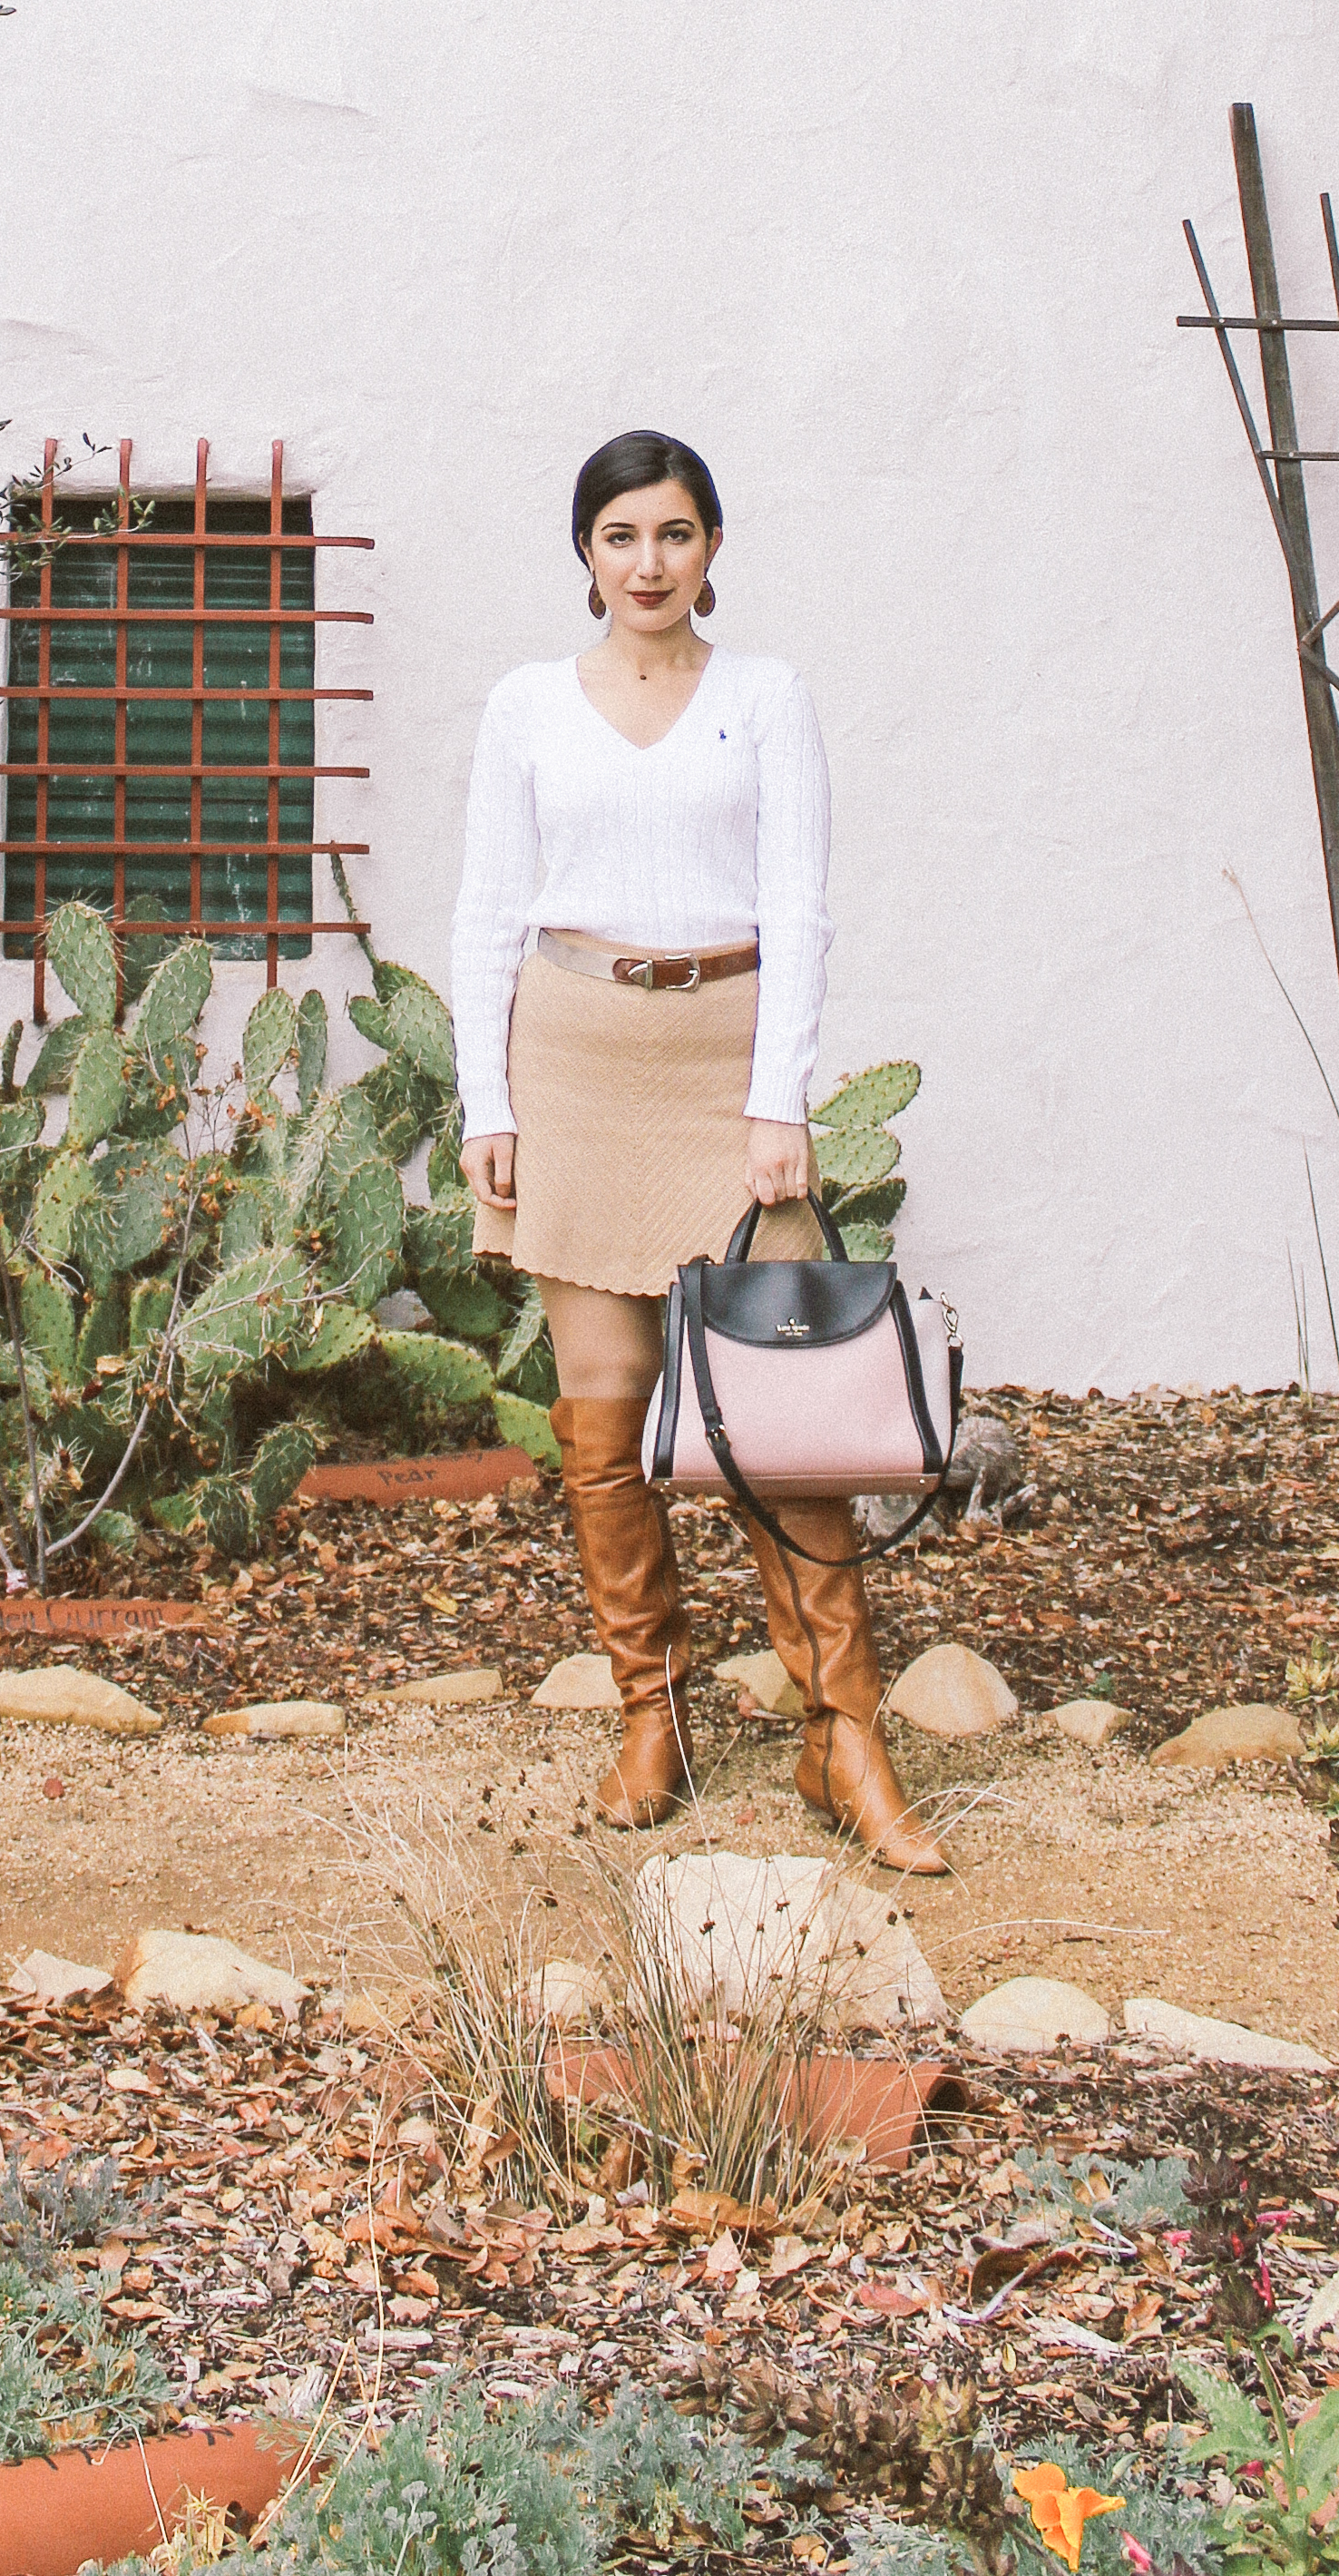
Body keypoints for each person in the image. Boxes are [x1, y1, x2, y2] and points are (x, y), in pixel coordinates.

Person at [447, 429, 947, 1871]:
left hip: (725, 1063)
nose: (648, 564)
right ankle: (650, 1708)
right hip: (577, 1057)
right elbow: (490, 911)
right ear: (586, 556)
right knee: (601, 1421)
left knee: (787, 1427)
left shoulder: (767, 699)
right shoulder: (529, 705)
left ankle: (841, 1736)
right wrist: (490, 1103)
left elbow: (800, 909)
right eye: (621, 538)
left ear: (712, 548)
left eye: (674, 535)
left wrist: (778, 1099)